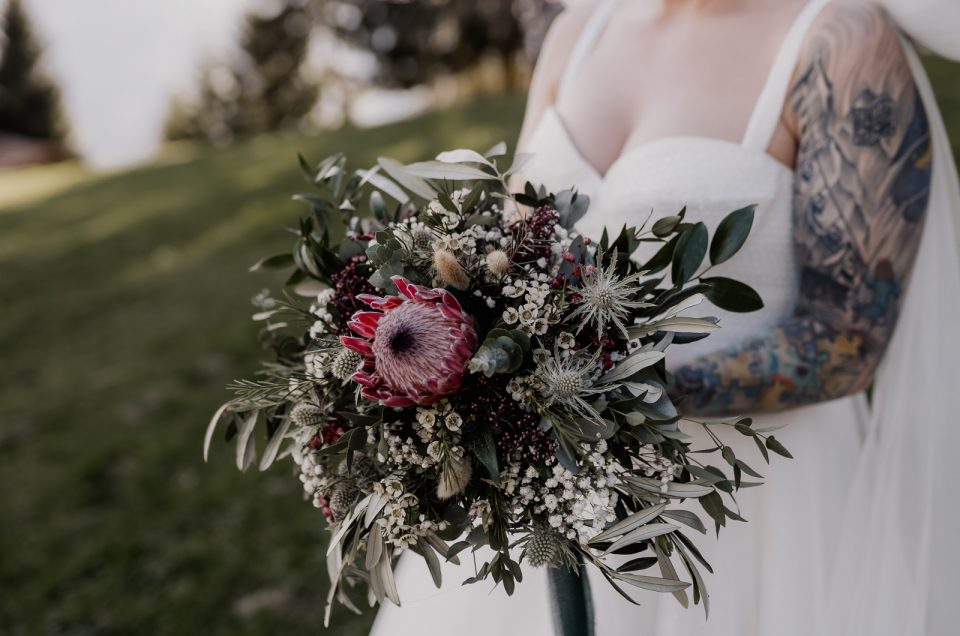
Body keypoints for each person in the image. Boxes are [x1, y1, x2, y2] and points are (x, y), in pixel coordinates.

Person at [371, 1, 960, 633]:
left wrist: (608, 396)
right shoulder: (576, 34)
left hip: (750, 520)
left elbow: (845, 340)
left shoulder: (838, 38)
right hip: (556, 504)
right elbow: (506, 263)